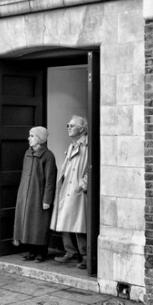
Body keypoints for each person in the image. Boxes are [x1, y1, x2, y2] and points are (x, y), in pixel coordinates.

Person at [51, 115, 91, 269]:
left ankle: (85, 255)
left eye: (72, 125)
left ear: (82, 129)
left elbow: (91, 167)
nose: (68, 128)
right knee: (64, 219)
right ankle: (71, 252)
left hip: (76, 188)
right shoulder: (72, 145)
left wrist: (83, 184)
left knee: (79, 223)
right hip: (66, 187)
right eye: (68, 125)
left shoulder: (87, 145)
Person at [13, 127, 57, 263]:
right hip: (26, 194)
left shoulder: (48, 156)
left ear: (40, 139)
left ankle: (41, 252)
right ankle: (31, 251)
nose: (29, 138)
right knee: (27, 223)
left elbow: (50, 180)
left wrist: (47, 199)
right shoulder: (27, 153)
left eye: (32, 136)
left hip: (39, 195)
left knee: (39, 224)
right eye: (30, 136)